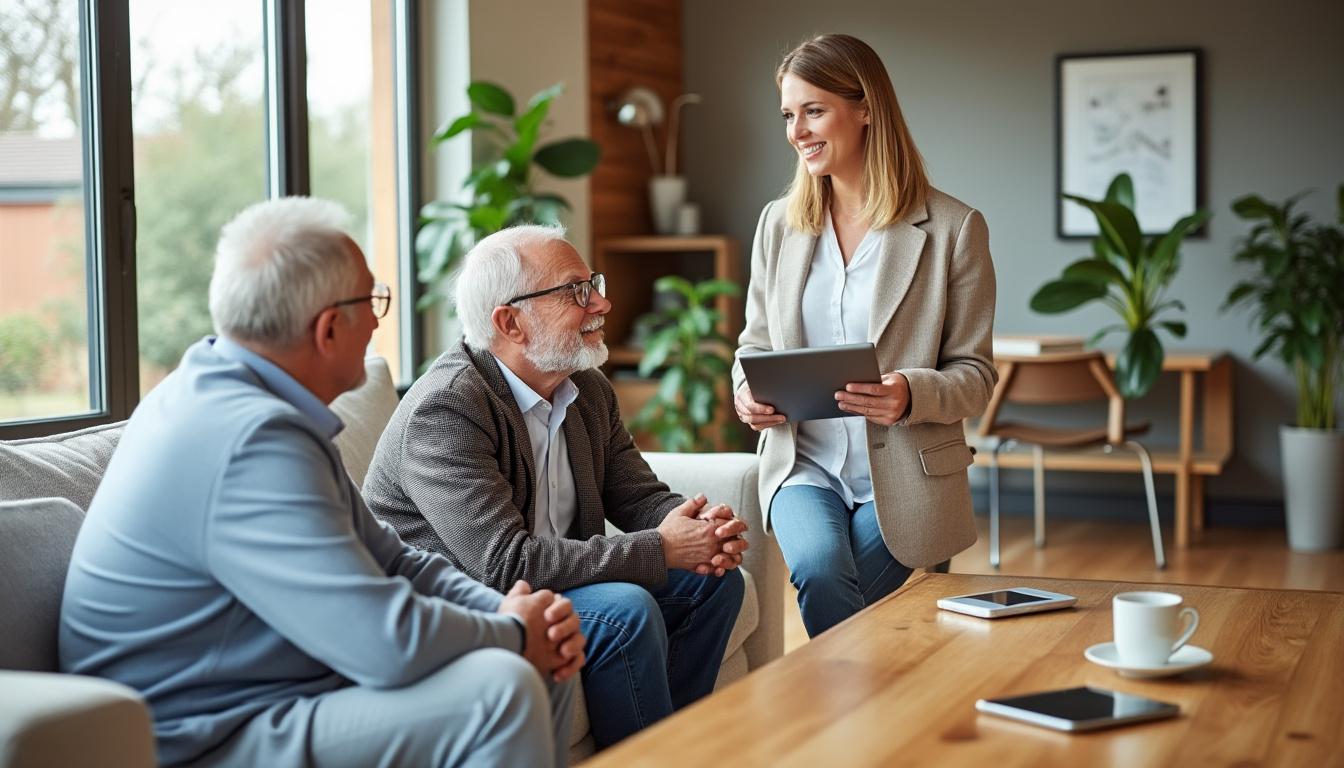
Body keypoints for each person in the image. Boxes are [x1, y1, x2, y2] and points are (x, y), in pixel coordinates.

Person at [59, 198, 583, 768]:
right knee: (502, 689)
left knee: (536, 659)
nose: (379, 321)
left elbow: (394, 559)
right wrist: (512, 632)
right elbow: (384, 643)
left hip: (265, 692)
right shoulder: (249, 440)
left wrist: (509, 610)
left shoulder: (248, 400)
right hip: (201, 735)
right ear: (329, 328)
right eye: (372, 300)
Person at [362, 224, 748, 749]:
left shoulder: (585, 387)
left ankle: (672, 747)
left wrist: (699, 527)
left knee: (715, 581)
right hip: (472, 605)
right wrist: (661, 548)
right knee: (625, 611)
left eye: (594, 285)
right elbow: (506, 565)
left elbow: (636, 495)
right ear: (510, 322)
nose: (603, 304)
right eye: (575, 292)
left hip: (553, 580)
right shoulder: (447, 408)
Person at [733, 34, 997, 638]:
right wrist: (746, 391)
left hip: (911, 472)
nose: (797, 131)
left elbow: (977, 376)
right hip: (804, 464)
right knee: (821, 570)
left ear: (866, 109)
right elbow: (754, 345)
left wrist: (910, 393)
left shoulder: (954, 228)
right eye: (788, 115)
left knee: (849, 610)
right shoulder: (778, 224)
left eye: (813, 110)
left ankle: (847, 698)